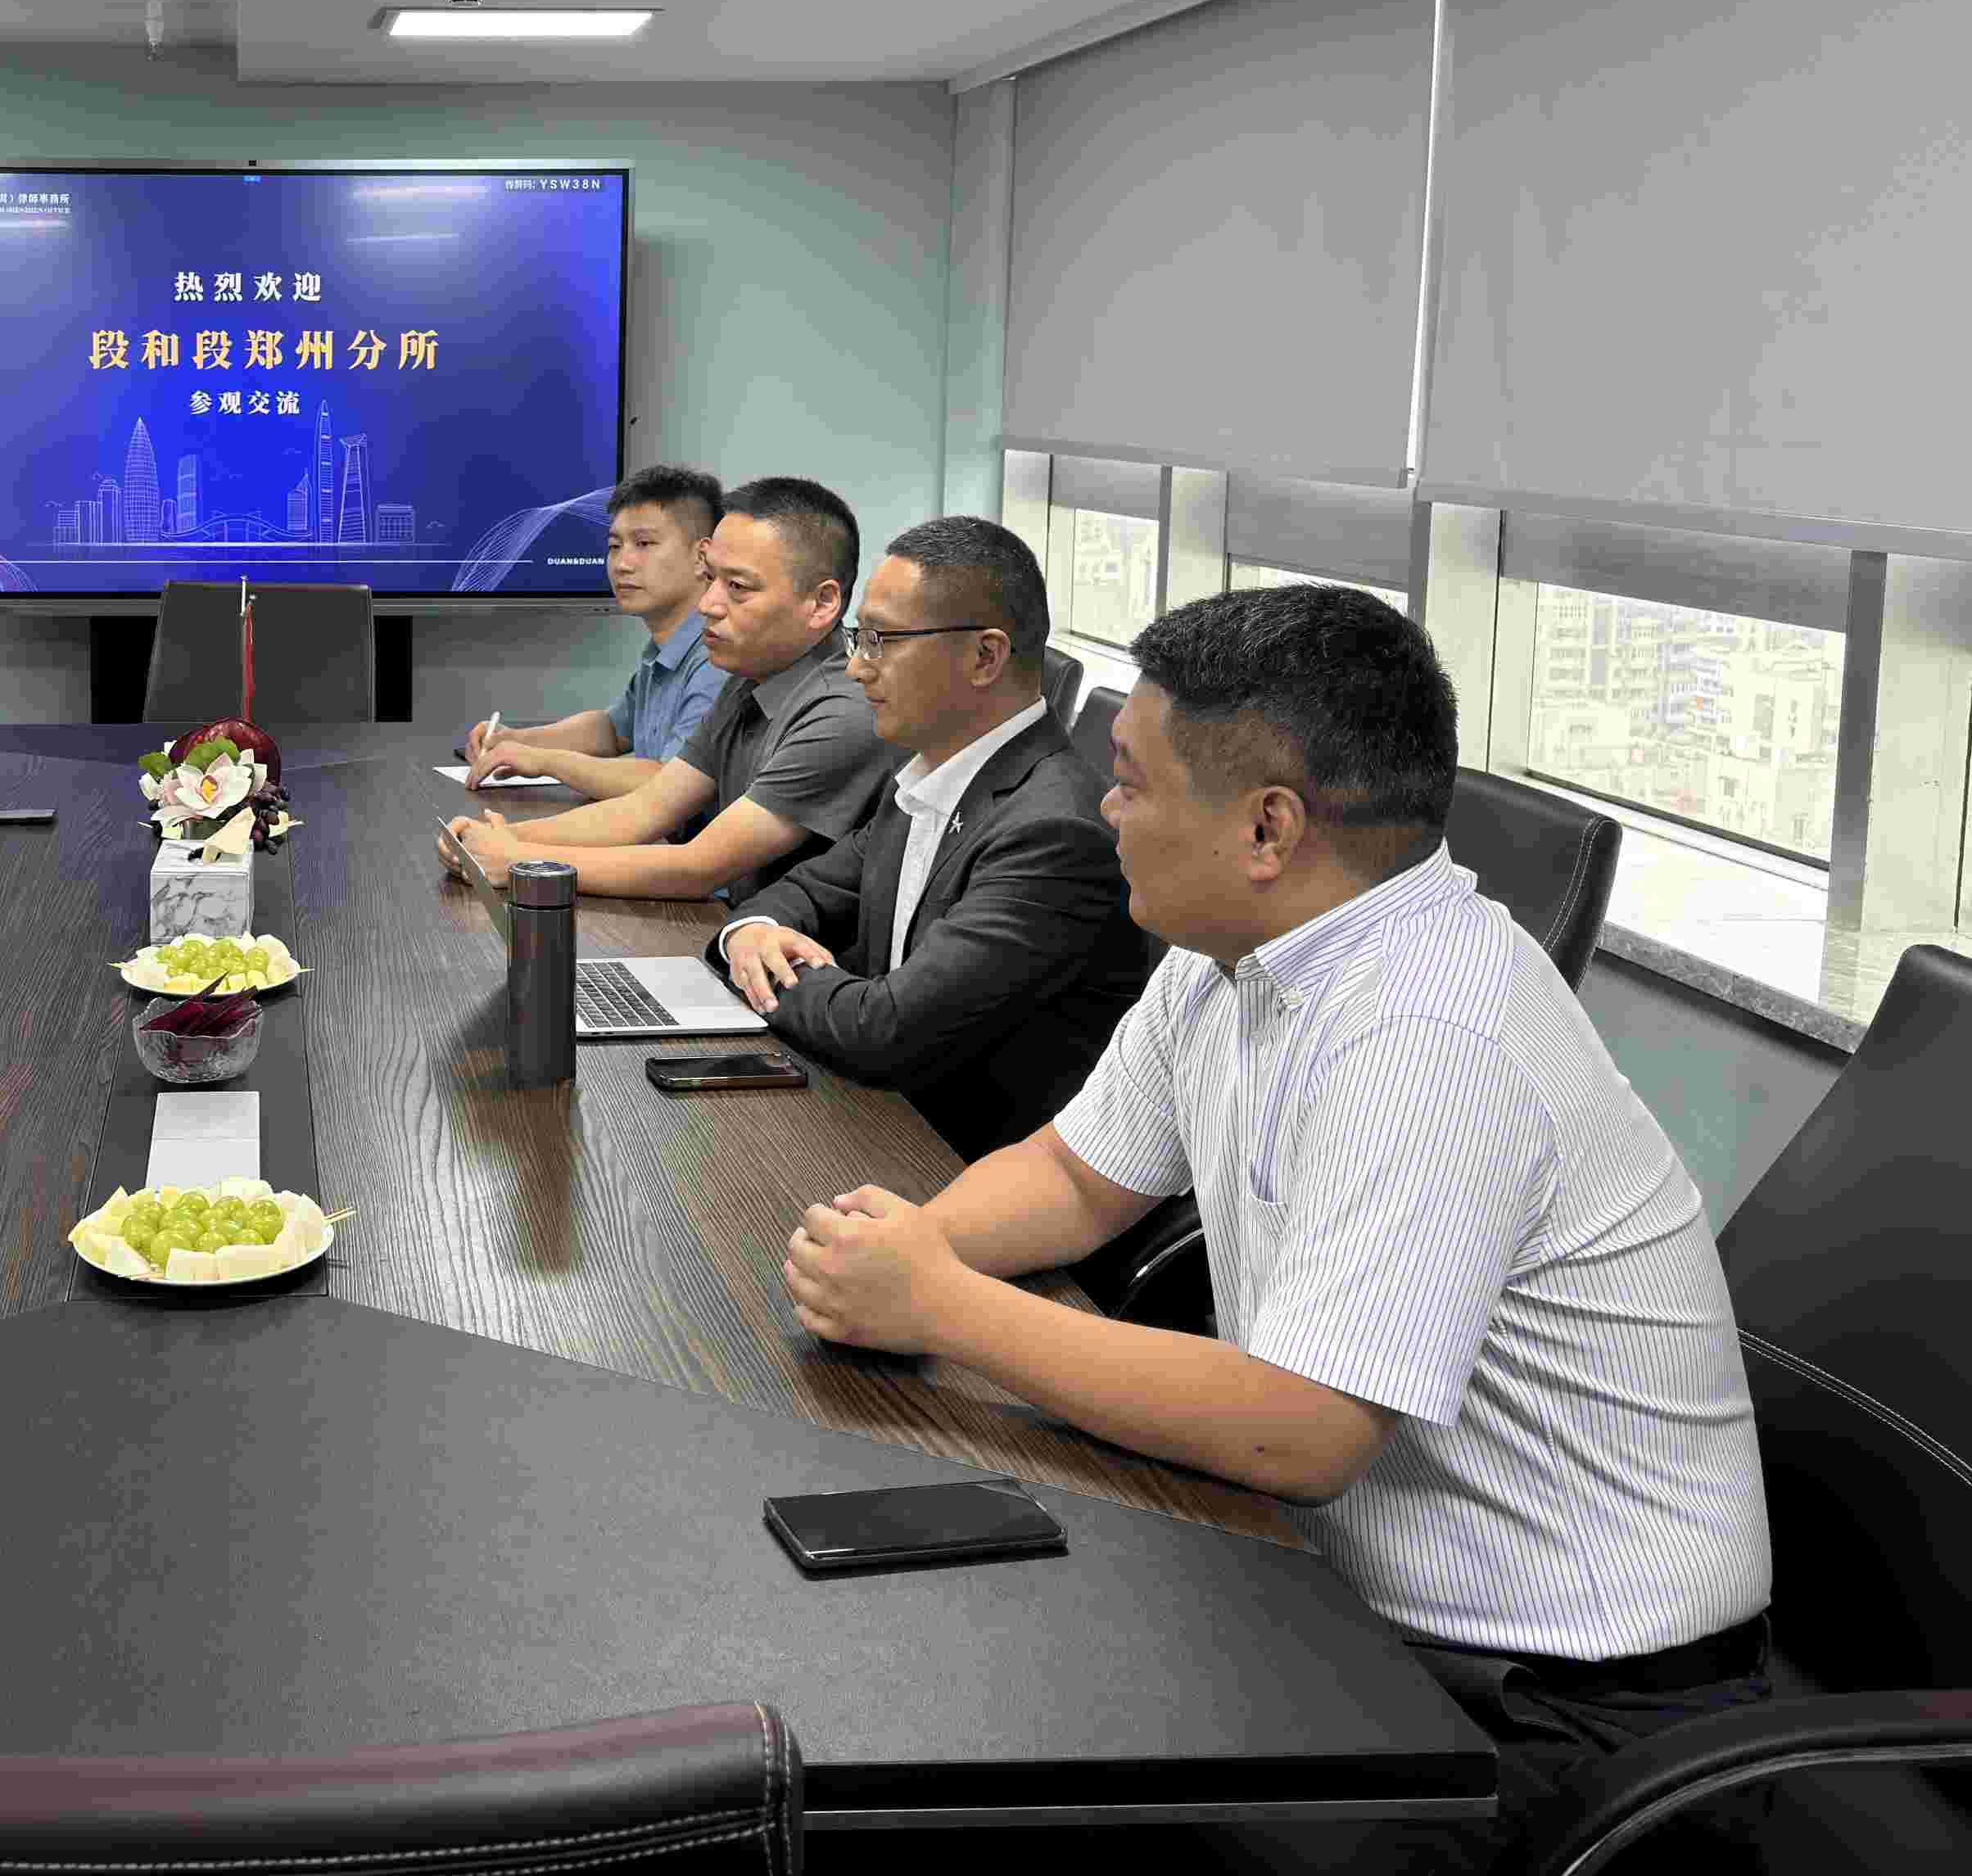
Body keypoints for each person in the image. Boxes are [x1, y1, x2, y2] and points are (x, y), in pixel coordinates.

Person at [780, 586, 1772, 1875]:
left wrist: (943, 1307)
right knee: (944, 1668)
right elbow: (1079, 1177)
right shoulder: (1230, 951)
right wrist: (898, 1250)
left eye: (1128, 783)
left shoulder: (1430, 1031)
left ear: (1267, 826)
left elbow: (1303, 1431)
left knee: (995, 1785)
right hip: (1348, 1596)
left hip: (1560, 1705)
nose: (1100, 809)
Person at [710, 516, 1155, 1159]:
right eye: (863, 639)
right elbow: (804, 892)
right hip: (881, 1125)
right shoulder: (926, 774)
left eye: (883, 641)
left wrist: (763, 970)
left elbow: (883, 1030)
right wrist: (749, 934)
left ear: (985, 657)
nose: (857, 668)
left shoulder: (1054, 832)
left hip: (961, 1170)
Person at [436, 475, 895, 901]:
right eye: (712, 577)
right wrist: (504, 839)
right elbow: (646, 808)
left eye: (737, 586)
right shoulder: (749, 680)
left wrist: (519, 861)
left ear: (822, 603)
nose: (710, 604)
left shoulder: (841, 714)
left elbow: (699, 868)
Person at [458, 465, 727, 801]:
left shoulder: (719, 654)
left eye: (644, 543)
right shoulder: (666, 646)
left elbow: (670, 783)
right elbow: (612, 731)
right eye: (615, 546)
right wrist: (515, 740)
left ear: (703, 557)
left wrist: (544, 760)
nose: (622, 564)